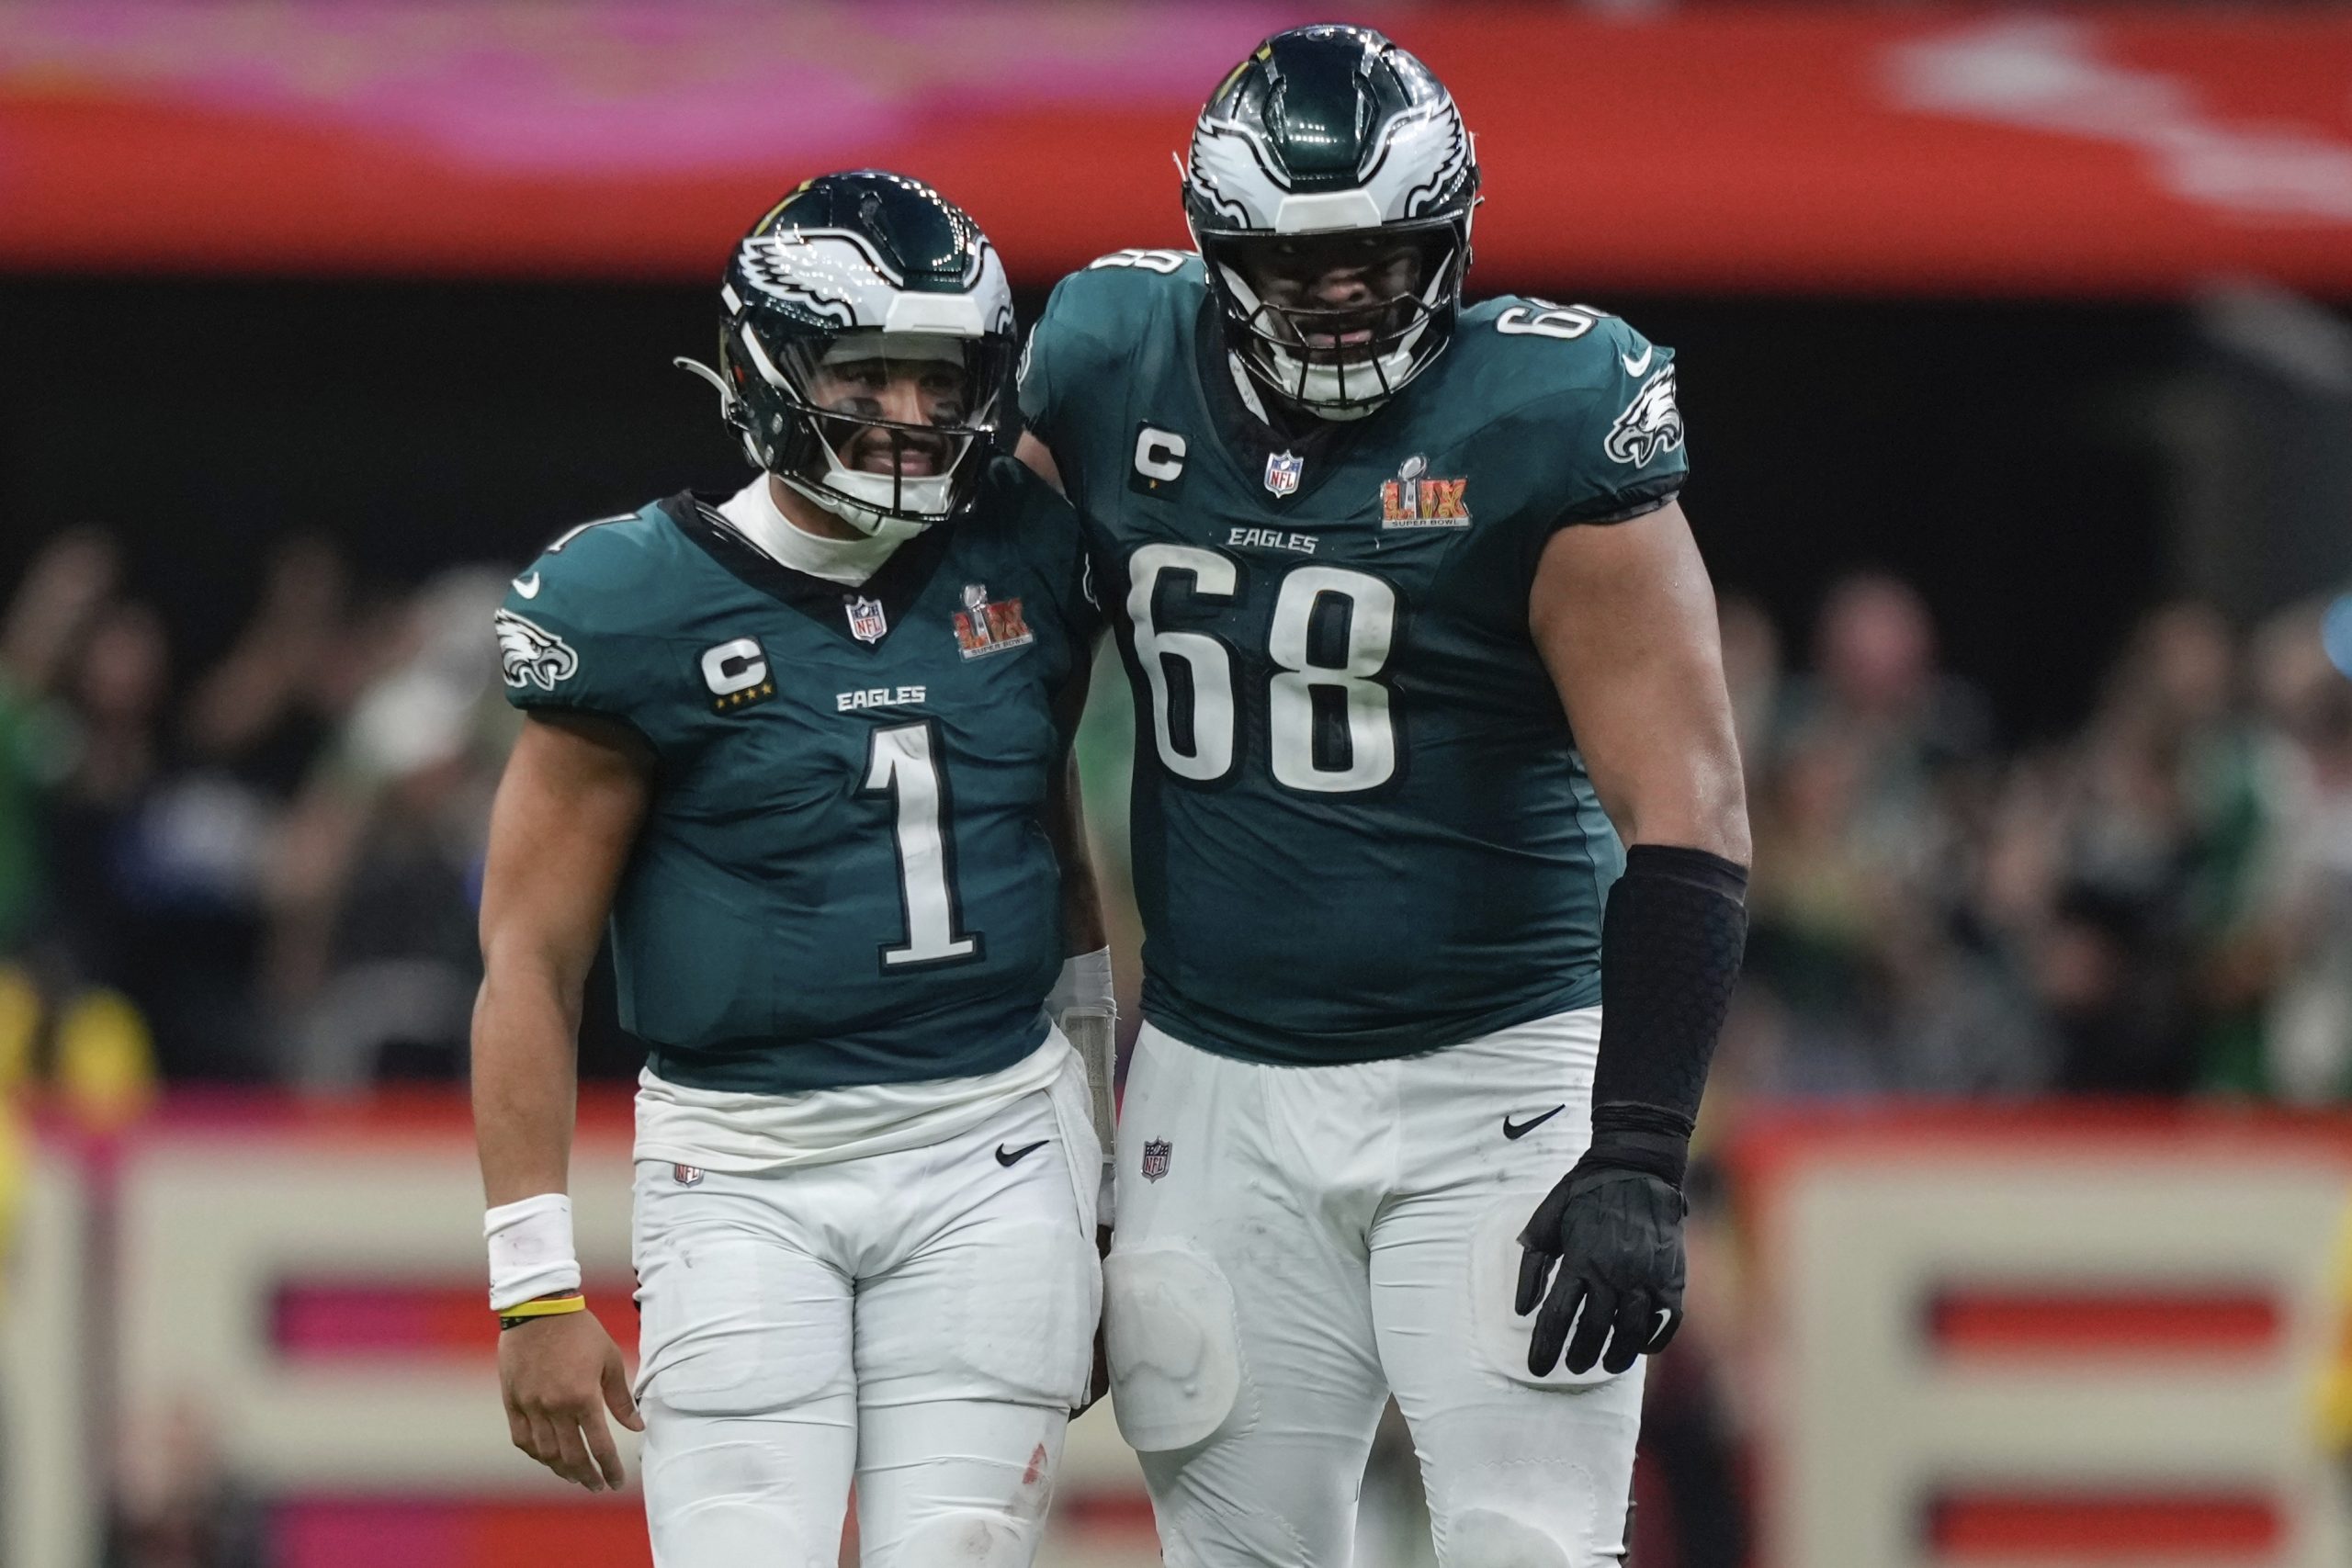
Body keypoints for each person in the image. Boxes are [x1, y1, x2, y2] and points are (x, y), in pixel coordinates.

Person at [1016, 25, 1748, 1566]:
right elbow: (989, 686)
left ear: (1456, 238)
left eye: (1382, 254)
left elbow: (1689, 811)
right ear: (1218, 252)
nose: (1343, 295)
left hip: (1498, 1073)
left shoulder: (1547, 414)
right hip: (1216, 1080)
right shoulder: (1100, 362)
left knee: (1525, 1545)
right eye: (1300, 263)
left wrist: (1635, 1146)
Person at [470, 171, 1114, 1568]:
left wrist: (1098, 1172)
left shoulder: (1025, 548)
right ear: (773, 370)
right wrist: (530, 1291)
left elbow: (1057, 869)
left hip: (993, 1143)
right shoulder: (636, 598)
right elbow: (529, 957)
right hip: (744, 1159)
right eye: (867, 373)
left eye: (939, 380)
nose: (911, 415)